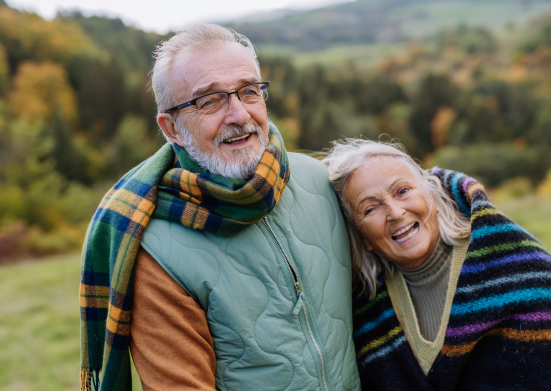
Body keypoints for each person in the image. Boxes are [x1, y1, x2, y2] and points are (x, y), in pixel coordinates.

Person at [79, 24, 360, 391]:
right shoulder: (156, 250)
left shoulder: (318, 179)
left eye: (249, 91)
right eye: (209, 101)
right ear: (172, 128)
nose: (239, 115)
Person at [323, 139, 551, 390]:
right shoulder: (368, 314)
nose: (395, 212)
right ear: (363, 238)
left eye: (403, 191)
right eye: (370, 208)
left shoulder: (512, 266)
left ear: (429, 193)